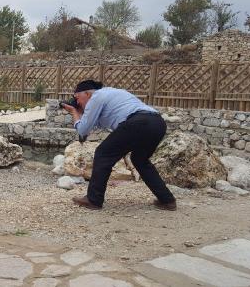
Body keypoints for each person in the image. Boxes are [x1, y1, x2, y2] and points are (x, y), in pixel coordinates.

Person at [61, 79, 177, 211]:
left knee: (103, 153)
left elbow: (82, 130)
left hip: (138, 122)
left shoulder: (96, 97)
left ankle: (94, 199)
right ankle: (167, 200)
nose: (77, 102)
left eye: (77, 97)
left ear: (87, 93)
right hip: (157, 123)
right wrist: (82, 113)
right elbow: (92, 125)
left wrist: (74, 112)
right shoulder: (113, 93)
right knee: (140, 160)